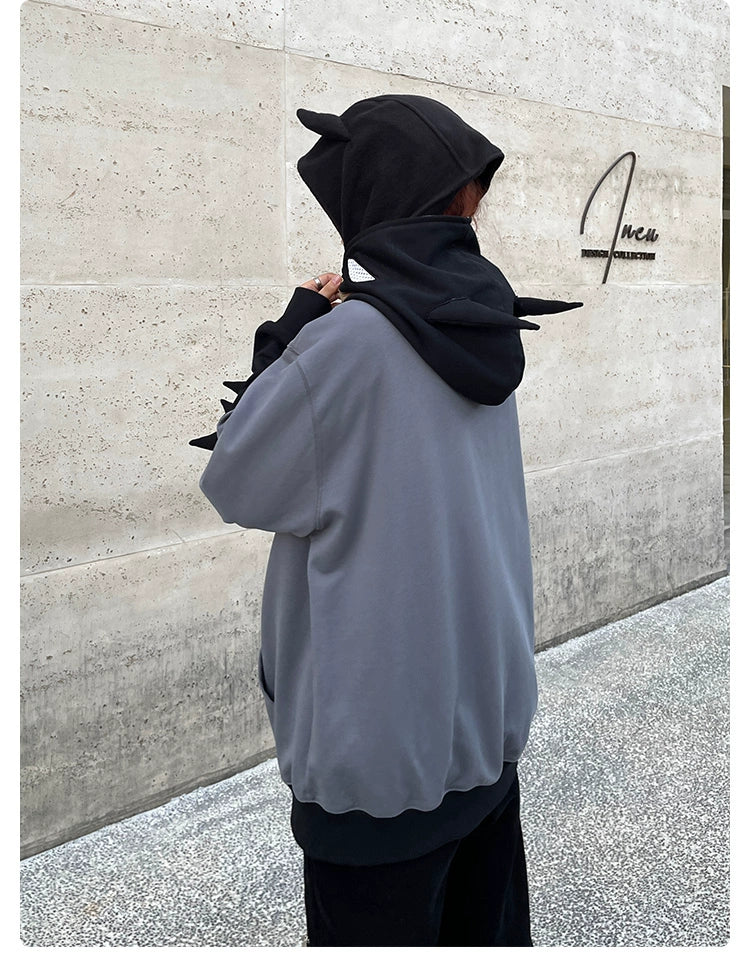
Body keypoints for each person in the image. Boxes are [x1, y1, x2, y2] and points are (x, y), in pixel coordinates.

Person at [190, 94, 583, 946]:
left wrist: (287, 335)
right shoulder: (482, 322)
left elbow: (236, 480)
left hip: (376, 770)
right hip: (482, 736)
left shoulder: (348, 345)